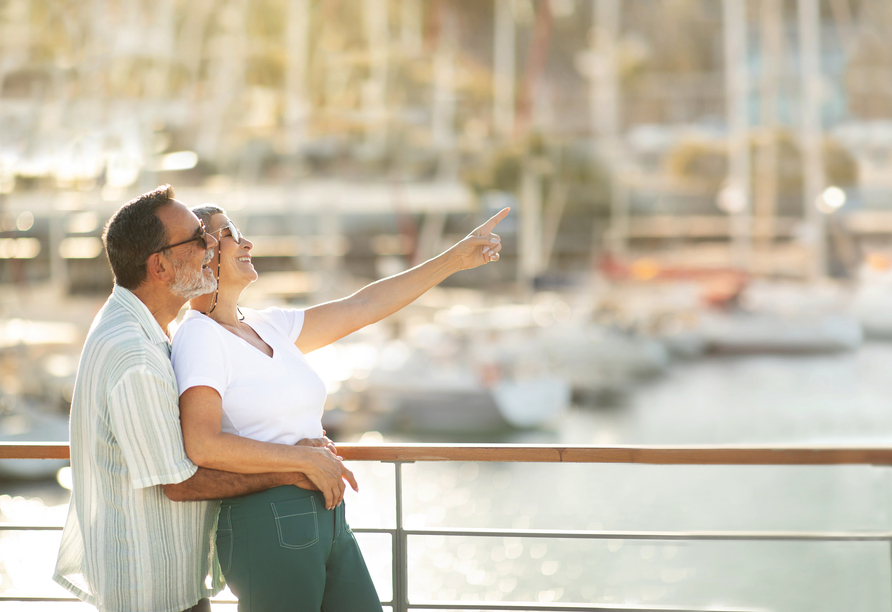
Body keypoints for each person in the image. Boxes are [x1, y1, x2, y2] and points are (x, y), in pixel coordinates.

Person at [170, 203, 509, 611]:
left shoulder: (265, 324)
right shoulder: (200, 337)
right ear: (202, 250)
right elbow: (203, 444)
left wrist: (454, 260)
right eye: (229, 233)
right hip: (266, 518)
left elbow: (363, 306)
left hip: (328, 514)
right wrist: (304, 461)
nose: (246, 242)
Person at [53, 185, 355, 612]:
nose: (212, 245)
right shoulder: (134, 354)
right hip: (149, 590)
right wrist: (295, 466)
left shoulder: (140, 331)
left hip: (165, 580)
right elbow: (179, 484)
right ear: (159, 265)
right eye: (199, 238)